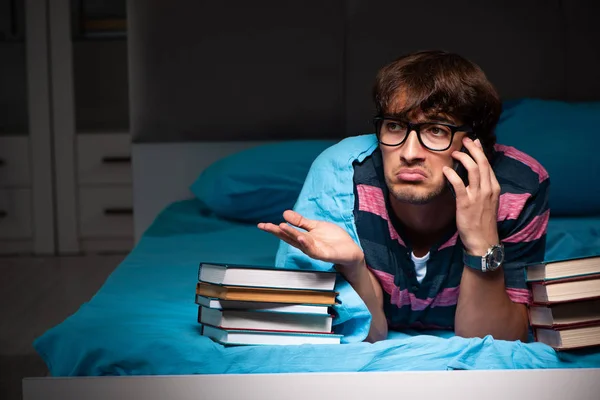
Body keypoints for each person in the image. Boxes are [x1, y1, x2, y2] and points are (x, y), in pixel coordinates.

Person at [258, 50, 550, 343]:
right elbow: (360, 334)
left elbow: (497, 342)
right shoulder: (340, 177)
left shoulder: (519, 187)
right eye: (395, 126)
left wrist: (482, 244)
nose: (409, 154)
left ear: (476, 144)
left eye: (436, 130)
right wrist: (355, 268)